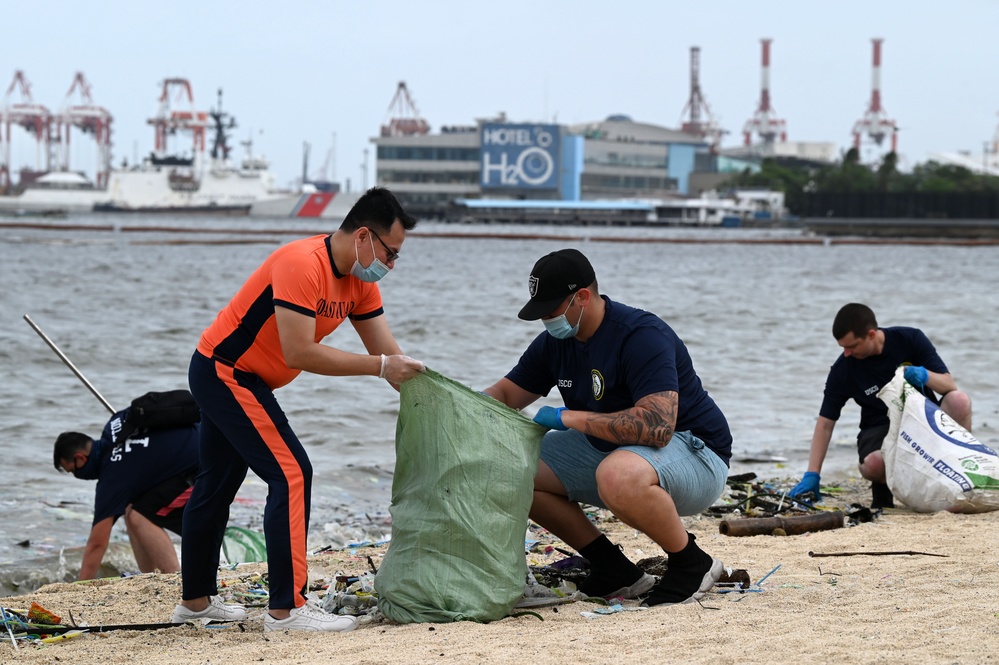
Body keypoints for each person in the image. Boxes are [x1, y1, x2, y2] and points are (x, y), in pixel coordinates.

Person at [173, 187, 425, 632]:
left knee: (216, 484)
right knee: (291, 474)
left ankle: (195, 604)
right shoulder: (301, 263)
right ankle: (287, 611)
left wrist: (429, 397)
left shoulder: (359, 284)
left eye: (396, 258)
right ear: (363, 236)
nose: (390, 265)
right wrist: (381, 367)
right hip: (224, 370)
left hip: (246, 378)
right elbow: (299, 353)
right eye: (390, 253)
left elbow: (387, 354)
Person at [483, 248, 733, 607]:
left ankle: (691, 562)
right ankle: (615, 570)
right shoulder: (556, 343)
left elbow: (658, 427)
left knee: (616, 474)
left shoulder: (641, 335)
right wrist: (458, 406)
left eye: (551, 311)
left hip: (696, 453)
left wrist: (569, 418)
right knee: (512, 468)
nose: (546, 321)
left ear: (582, 297)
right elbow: (506, 393)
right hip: (613, 453)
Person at [790, 303, 973, 509]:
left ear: (871, 335)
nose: (846, 353)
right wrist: (812, 474)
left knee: (960, 401)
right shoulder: (843, 370)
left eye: (851, 346)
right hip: (879, 429)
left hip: (923, 419)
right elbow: (825, 424)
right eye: (842, 347)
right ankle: (885, 489)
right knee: (873, 464)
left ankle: (962, 475)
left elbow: (949, 385)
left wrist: (924, 374)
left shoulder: (909, 339)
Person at [53, 410, 199, 581]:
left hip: (208, 466)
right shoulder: (115, 423)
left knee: (139, 517)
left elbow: (97, 544)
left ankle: (174, 579)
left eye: (73, 471)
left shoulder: (112, 478)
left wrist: (80, 587)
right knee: (131, 508)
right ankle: (150, 577)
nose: (77, 475)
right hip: (206, 435)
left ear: (80, 458)